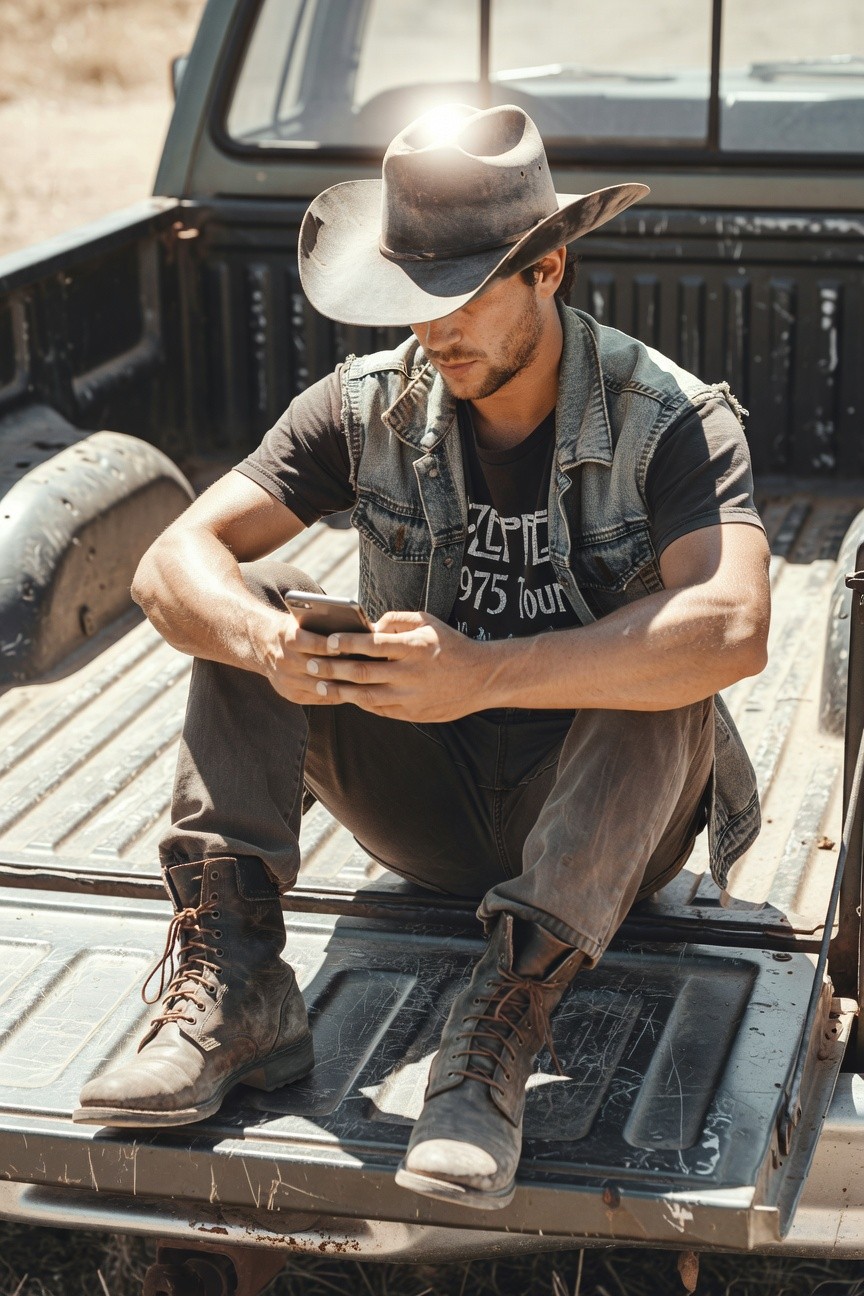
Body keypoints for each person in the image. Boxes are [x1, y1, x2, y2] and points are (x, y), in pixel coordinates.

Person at [74, 103, 770, 1211]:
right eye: (410, 300)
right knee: (247, 609)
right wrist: (270, 645)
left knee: (668, 661)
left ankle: (501, 1028)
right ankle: (241, 991)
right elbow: (171, 561)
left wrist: (488, 672)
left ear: (548, 270)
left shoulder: (672, 419)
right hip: (422, 796)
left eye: (459, 298)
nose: (430, 330)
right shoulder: (365, 405)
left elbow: (734, 624)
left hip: (601, 832)